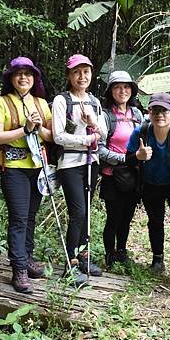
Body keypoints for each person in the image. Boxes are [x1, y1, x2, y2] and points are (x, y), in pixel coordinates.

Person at [0, 56, 52, 293]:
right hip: (14, 167)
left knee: (31, 216)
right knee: (19, 218)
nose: (23, 78)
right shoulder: (0, 102)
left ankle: (27, 258)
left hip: (38, 167)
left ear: (34, 78)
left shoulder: (42, 103)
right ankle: (19, 268)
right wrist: (24, 129)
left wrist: (38, 128)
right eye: (18, 73)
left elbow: (52, 136)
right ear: (11, 78)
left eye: (28, 73)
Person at [126, 93, 170, 292]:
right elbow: (128, 160)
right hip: (151, 183)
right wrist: (138, 155)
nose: (159, 114)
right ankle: (157, 258)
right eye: (155, 110)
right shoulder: (141, 132)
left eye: (164, 110)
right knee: (155, 221)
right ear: (149, 112)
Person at [52, 54, 105, 282]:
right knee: (78, 212)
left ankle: (83, 256)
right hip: (70, 164)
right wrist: (85, 140)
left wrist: (92, 123)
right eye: (77, 72)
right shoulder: (61, 101)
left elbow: (103, 132)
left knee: (86, 212)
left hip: (90, 163)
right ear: (69, 75)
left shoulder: (94, 101)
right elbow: (58, 136)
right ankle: (70, 262)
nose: (82, 76)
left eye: (86, 72)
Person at [98, 71, 143, 268]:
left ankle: (122, 251)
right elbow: (99, 148)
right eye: (117, 87)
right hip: (112, 174)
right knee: (114, 217)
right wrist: (123, 158)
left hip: (134, 174)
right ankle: (110, 254)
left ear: (131, 91)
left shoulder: (137, 114)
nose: (122, 91)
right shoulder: (106, 115)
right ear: (111, 91)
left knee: (127, 216)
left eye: (126, 87)